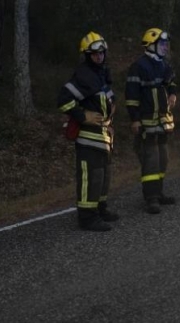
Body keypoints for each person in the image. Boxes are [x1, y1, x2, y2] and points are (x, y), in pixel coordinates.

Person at [57, 31, 119, 232]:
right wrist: (83, 116)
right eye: (95, 54)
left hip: (102, 135)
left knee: (102, 176)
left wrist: (109, 119)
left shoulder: (101, 73)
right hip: (88, 137)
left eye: (102, 53)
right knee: (90, 177)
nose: (99, 56)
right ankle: (86, 218)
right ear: (87, 55)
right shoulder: (83, 75)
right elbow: (63, 100)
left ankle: (100, 209)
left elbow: (107, 100)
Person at [126, 28, 178, 214]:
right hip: (147, 121)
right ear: (151, 45)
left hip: (163, 121)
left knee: (163, 158)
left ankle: (159, 192)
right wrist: (135, 120)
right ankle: (151, 198)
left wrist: (172, 93)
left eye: (166, 44)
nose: (165, 47)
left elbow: (170, 81)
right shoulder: (139, 66)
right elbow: (131, 96)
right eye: (162, 44)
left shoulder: (163, 64)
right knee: (151, 160)